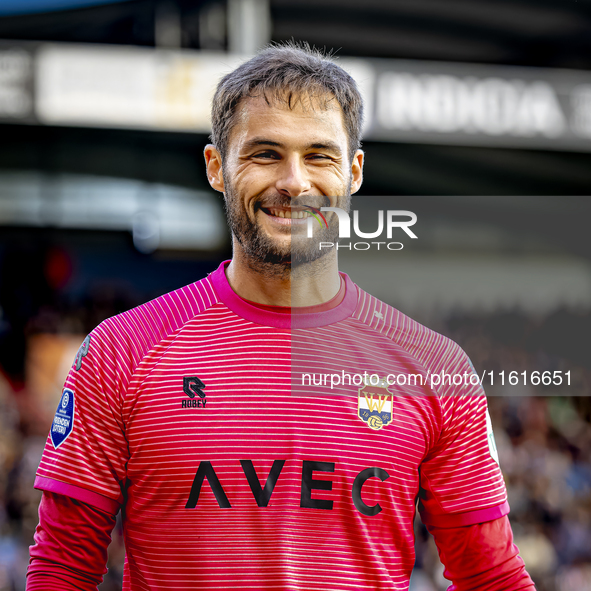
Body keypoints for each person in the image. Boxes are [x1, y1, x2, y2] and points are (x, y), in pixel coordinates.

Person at [27, 43, 535, 591]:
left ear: (354, 172)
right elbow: (62, 568)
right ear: (216, 167)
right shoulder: (122, 351)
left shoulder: (434, 367)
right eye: (265, 153)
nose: (295, 182)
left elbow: (492, 577)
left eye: (319, 155)